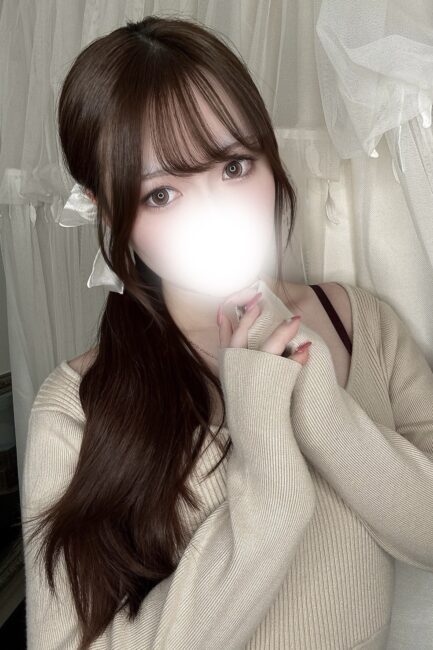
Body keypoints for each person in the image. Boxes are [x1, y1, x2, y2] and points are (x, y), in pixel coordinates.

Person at [20, 15, 433, 650]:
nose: (216, 212)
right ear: (107, 211)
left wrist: (318, 405)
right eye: (161, 195)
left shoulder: (360, 324)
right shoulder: (75, 409)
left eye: (235, 166)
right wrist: (265, 474)